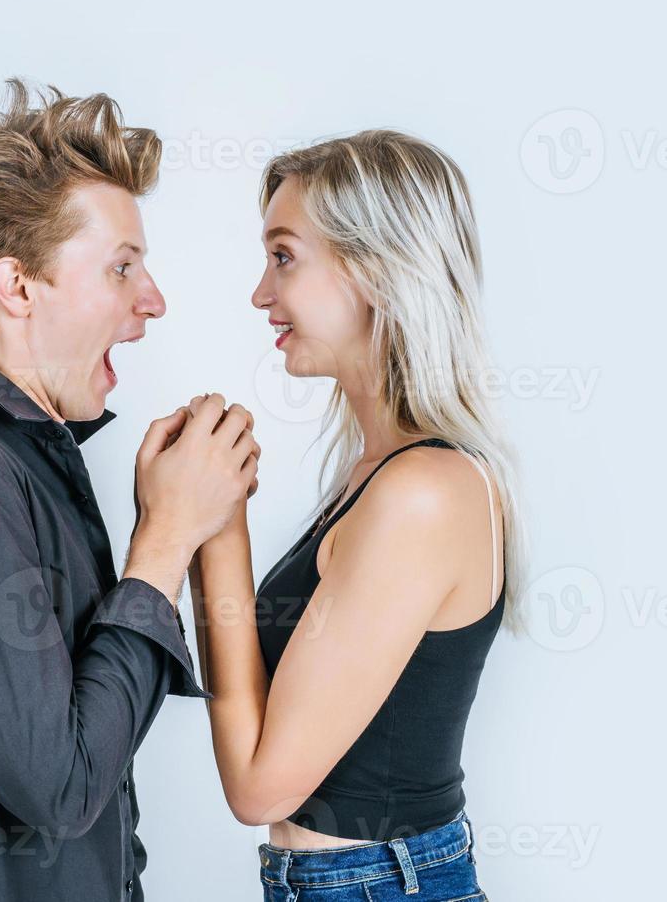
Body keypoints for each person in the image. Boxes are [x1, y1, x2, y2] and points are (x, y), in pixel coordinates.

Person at [0, 80, 259, 901]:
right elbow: (59, 786)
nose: (154, 301)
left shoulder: (20, 474)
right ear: (17, 287)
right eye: (121, 267)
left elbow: (93, 813)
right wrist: (164, 542)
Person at [186, 131, 524, 901]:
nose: (260, 293)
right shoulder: (378, 476)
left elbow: (259, 789)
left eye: (283, 256)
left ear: (373, 268)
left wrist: (219, 528)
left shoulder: (423, 494)